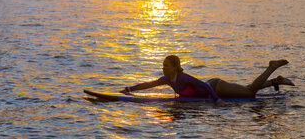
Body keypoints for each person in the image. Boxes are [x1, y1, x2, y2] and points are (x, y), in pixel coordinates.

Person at [120, 55, 295, 102]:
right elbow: (147, 84)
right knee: (249, 88)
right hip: (212, 88)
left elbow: (204, 85)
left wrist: (216, 99)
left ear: (174, 67)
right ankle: (275, 81)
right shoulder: (166, 79)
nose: (163, 67)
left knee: (249, 93)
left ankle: (271, 67)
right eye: (163, 65)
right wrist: (128, 90)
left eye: (166, 65)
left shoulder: (184, 77)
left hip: (216, 87)